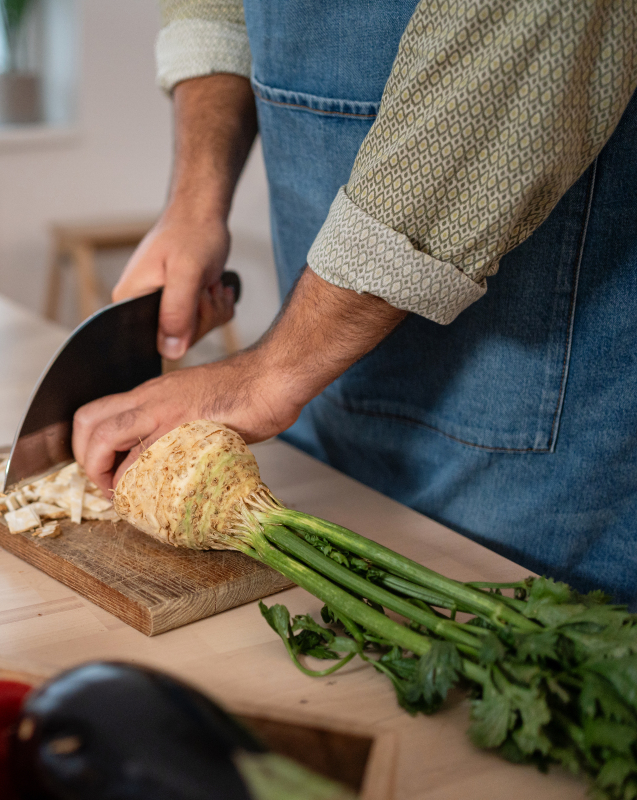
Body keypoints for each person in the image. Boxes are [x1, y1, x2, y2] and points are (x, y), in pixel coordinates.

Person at [72, 0, 637, 603]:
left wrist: (269, 374)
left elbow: (509, 56)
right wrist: (194, 203)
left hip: (539, 425)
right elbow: (211, 10)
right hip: (322, 384)